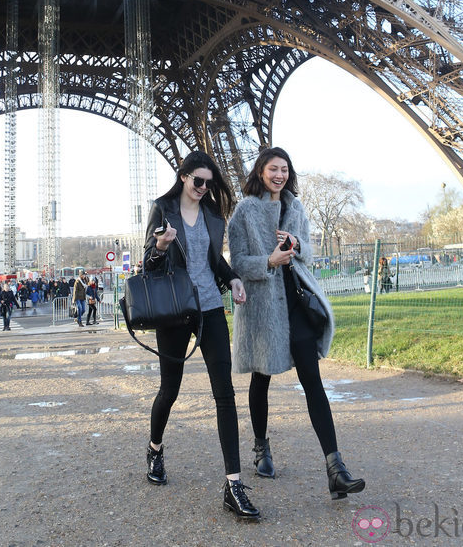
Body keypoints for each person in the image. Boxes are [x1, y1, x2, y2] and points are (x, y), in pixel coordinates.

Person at [228, 147, 365, 500]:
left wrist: (298, 243)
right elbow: (238, 263)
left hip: (297, 304)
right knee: (262, 379)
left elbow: (309, 253)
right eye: (273, 169)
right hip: (263, 309)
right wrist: (269, 261)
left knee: (313, 383)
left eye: (284, 169)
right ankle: (261, 448)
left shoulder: (296, 207)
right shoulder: (243, 212)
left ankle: (336, 468)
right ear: (260, 172)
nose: (279, 175)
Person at [143, 150, 260, 521]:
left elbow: (214, 260)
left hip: (210, 307)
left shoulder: (212, 214)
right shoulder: (162, 208)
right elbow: (148, 261)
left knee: (224, 394)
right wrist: (161, 246)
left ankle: (233, 484)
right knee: (170, 390)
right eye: (198, 181)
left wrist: (234, 278)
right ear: (183, 177)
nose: (203, 188)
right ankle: (155, 448)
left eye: (209, 183)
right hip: (175, 309)